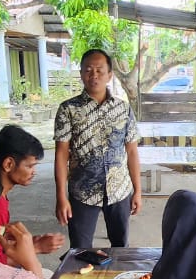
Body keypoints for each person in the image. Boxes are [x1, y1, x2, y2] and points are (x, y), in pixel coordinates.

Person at [54, 48, 141, 249]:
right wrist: (61, 197)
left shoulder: (123, 109)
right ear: (81, 73)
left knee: (120, 248)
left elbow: (132, 151)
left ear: (109, 75)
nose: (94, 75)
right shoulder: (68, 109)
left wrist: (137, 191)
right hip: (82, 192)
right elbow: (61, 154)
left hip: (119, 190)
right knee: (80, 250)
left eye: (100, 70)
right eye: (88, 70)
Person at [0, 125, 65, 268]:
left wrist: (27, 242)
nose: (34, 172)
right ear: (8, 164)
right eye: (30, 166)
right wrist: (37, 248)